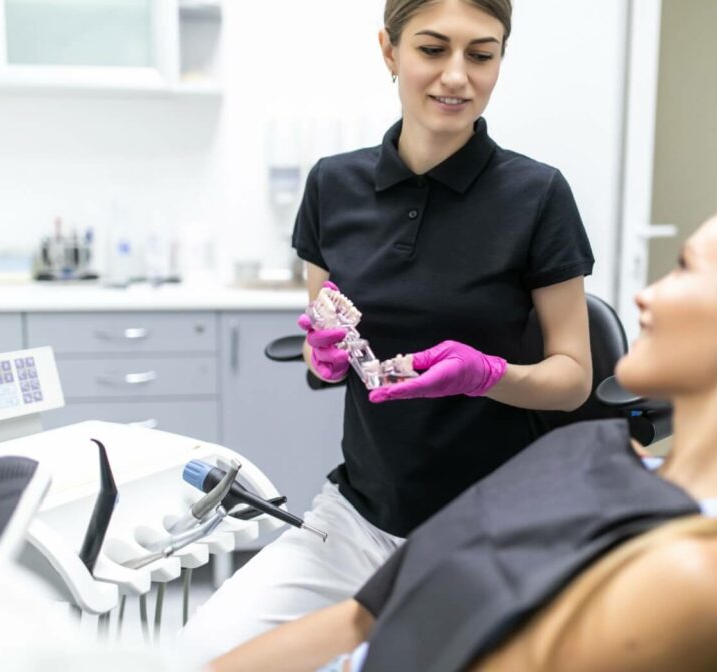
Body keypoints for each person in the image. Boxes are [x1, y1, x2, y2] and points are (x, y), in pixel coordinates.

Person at [209, 186, 717, 671]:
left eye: (686, 268)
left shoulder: (701, 571)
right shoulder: (584, 451)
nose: (643, 295)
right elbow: (370, 617)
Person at [178, 0, 595, 661]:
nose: (457, 76)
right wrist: (325, 359)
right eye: (432, 49)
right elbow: (328, 357)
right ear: (388, 51)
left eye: (481, 55)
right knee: (198, 654)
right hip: (355, 520)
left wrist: (489, 375)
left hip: (486, 529)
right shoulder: (333, 187)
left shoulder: (537, 196)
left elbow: (574, 380)